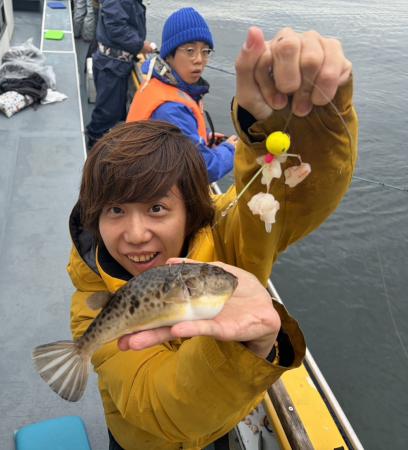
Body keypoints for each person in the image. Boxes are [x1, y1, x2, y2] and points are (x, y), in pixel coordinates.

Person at [67, 26, 356, 450]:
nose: (135, 234)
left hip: (219, 425)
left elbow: (291, 197)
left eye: (157, 208)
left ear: (191, 210)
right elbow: (156, 405)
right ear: (94, 218)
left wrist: (306, 120)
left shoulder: (228, 238)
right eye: (115, 211)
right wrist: (234, 353)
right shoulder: (90, 295)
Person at [127, 7, 238, 182]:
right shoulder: (170, 109)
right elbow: (202, 169)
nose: (199, 59)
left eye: (205, 51)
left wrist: (205, 137)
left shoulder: (158, 83)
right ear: (169, 55)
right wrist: (230, 149)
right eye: (190, 51)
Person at [85, 0, 154, 150]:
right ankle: (95, 141)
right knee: (107, 110)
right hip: (111, 65)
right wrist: (140, 45)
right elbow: (115, 27)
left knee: (115, 108)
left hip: (118, 64)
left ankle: (106, 137)